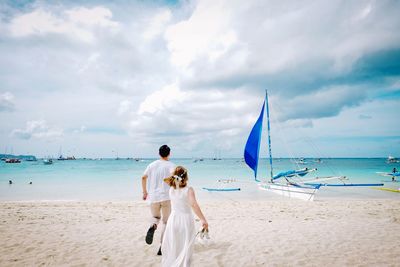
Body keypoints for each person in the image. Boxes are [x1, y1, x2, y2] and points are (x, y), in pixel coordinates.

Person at [161, 166, 208, 267]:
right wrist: (203, 219)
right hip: (185, 221)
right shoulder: (188, 190)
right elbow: (194, 205)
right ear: (186, 177)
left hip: (173, 220)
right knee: (186, 249)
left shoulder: (171, 190)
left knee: (174, 247)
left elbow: (170, 182)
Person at [141, 145, 175, 255]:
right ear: (169, 153)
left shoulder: (152, 165)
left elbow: (143, 177)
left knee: (155, 217)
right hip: (166, 197)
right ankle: (162, 246)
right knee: (166, 222)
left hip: (153, 197)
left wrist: (145, 192)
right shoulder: (172, 166)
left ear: (159, 153)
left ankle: (153, 226)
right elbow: (175, 181)